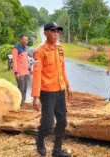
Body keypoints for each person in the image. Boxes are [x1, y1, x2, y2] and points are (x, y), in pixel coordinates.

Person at [31, 22, 72, 157]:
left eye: (58, 32)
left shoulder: (60, 49)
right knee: (48, 124)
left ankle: (57, 151)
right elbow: (36, 75)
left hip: (60, 91)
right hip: (47, 92)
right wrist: (36, 96)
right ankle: (40, 138)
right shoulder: (40, 51)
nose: (56, 34)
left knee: (62, 122)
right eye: (53, 31)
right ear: (45, 33)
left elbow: (62, 70)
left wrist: (67, 85)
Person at [12, 34, 30, 105]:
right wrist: (16, 72)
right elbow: (14, 61)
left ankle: (23, 103)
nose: (26, 41)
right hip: (20, 73)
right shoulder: (16, 49)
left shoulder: (25, 48)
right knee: (20, 89)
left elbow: (26, 60)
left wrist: (29, 69)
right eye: (25, 40)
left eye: (27, 40)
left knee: (25, 88)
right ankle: (19, 104)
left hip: (25, 72)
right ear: (21, 40)